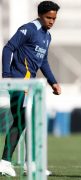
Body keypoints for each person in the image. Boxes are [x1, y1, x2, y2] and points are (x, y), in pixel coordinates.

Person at [0, 1, 61, 177]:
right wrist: (7, 77)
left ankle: (29, 164)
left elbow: (43, 62)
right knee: (21, 122)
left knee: (26, 122)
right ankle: (7, 163)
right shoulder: (28, 29)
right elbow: (8, 48)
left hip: (30, 85)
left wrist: (53, 82)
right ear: (40, 15)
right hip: (21, 83)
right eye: (49, 17)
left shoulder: (47, 36)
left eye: (54, 18)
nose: (51, 21)